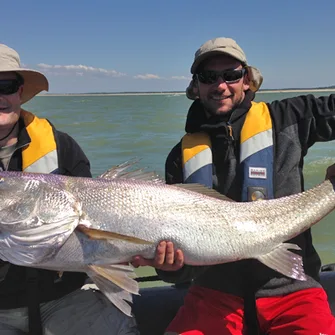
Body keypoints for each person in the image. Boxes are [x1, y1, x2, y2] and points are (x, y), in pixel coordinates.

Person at [132, 37, 335, 334]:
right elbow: (183, 270)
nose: (220, 85)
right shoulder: (179, 157)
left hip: (293, 288)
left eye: (231, 75)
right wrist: (168, 266)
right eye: (208, 77)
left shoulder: (289, 117)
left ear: (247, 80)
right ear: (195, 87)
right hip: (213, 294)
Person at [0, 44, 139, 335]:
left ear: (20, 91)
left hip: (64, 298)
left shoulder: (62, 146)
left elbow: (95, 224)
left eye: (5, 85)